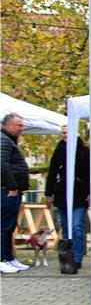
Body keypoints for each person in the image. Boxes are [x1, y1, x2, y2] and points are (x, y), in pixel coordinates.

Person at [44, 124, 91, 269]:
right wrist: (48, 194)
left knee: (77, 226)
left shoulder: (84, 151)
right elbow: (52, 173)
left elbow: (90, 172)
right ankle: (68, 256)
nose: (65, 135)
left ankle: (77, 257)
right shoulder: (58, 151)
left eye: (68, 133)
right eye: (63, 133)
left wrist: (90, 192)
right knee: (65, 228)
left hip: (80, 194)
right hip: (62, 194)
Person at [1, 113, 30, 274]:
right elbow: (2, 163)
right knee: (4, 226)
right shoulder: (3, 140)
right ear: (8, 125)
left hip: (13, 190)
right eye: (19, 125)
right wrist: (11, 186)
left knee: (10, 226)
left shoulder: (9, 140)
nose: (22, 128)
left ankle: (8, 258)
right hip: (7, 190)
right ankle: (2, 259)